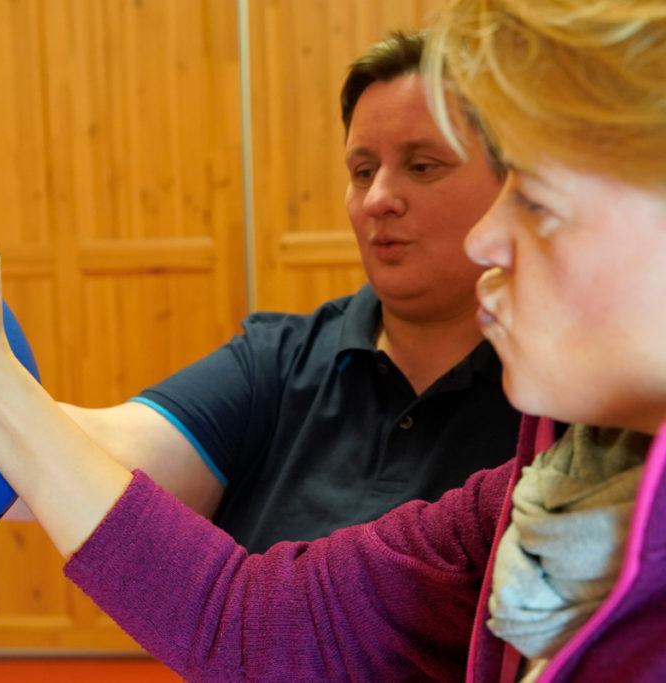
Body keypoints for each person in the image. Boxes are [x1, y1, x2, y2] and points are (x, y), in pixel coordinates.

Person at [0, 0, 666, 679]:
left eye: (534, 200)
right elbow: (257, 625)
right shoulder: (542, 482)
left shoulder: (550, 414)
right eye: (362, 170)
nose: (490, 237)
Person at [39, 31, 519, 552]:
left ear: (516, 184)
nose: (378, 198)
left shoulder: (557, 390)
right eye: (362, 172)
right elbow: (112, 446)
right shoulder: (278, 359)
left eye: (422, 166)